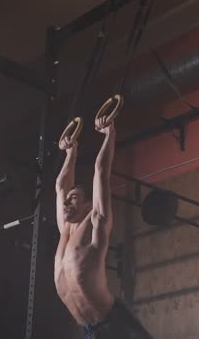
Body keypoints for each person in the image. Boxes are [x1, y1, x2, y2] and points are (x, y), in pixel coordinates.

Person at [54, 115, 152, 339]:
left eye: (74, 197)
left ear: (88, 205)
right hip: (91, 332)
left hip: (116, 326)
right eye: (67, 199)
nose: (67, 202)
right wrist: (71, 151)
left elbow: (101, 170)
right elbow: (60, 186)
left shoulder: (96, 222)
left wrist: (110, 133)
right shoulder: (65, 232)